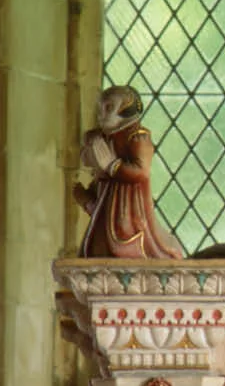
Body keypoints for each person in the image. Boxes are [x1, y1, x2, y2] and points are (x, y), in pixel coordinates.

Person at [73, 85, 184, 259]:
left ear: (126, 109)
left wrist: (112, 165)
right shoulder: (103, 138)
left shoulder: (137, 137)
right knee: (97, 245)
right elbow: (99, 177)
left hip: (129, 208)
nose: (102, 114)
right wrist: (88, 200)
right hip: (107, 205)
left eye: (109, 108)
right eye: (100, 109)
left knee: (124, 241)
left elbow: (141, 172)